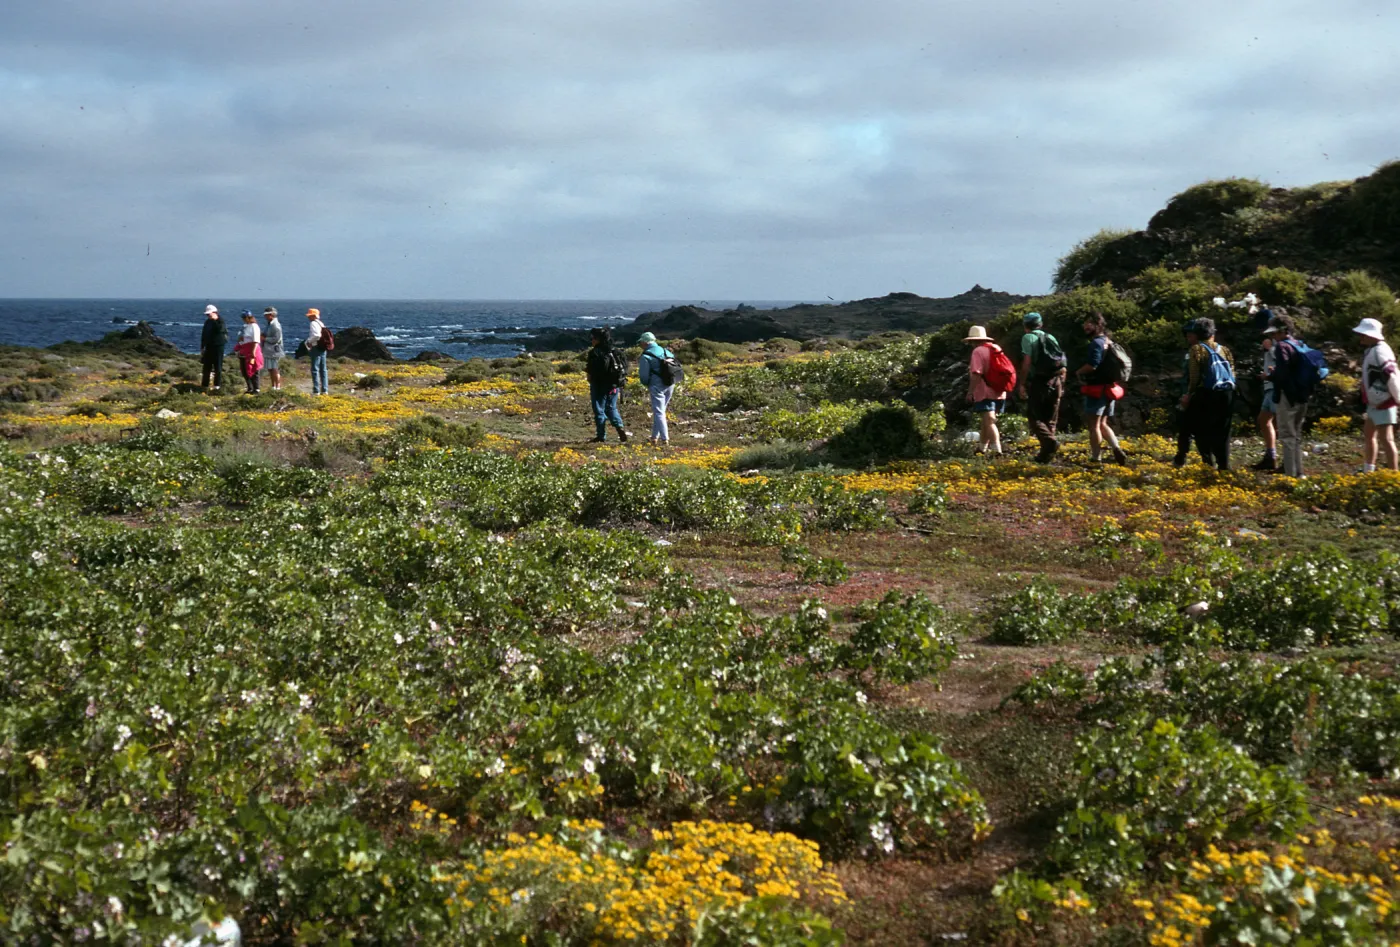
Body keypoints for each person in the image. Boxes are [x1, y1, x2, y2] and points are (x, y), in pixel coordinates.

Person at [1179, 317, 1235, 471]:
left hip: (1206, 394)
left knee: (1202, 430)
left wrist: (1189, 394)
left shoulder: (1197, 349)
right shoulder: (1224, 349)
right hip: (1227, 394)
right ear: (1212, 333)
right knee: (1223, 432)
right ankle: (1224, 467)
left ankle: (1208, 463)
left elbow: (1194, 376)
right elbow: (1233, 373)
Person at [1074, 312, 1128, 465]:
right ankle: (1116, 448)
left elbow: (1093, 365)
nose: (1085, 326)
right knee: (1103, 423)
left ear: (1098, 325)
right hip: (1110, 388)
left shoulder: (1096, 343)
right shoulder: (1108, 341)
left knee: (1094, 425)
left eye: (1088, 323)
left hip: (1096, 390)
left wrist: (1078, 372)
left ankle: (1096, 459)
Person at [1017, 311, 1066, 463]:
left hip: (1040, 381)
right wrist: (1062, 383)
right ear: (1041, 324)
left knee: (1034, 417)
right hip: (1056, 379)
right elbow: (1062, 360)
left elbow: (1027, 362)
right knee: (1050, 419)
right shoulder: (1050, 337)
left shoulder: (1028, 337)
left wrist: (1022, 383)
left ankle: (1050, 443)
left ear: (1026, 326)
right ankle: (1046, 455)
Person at [1264, 314, 1309, 477]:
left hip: (1288, 397)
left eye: (1274, 333)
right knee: (1296, 436)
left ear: (1283, 331)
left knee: (1287, 437)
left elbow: (1282, 375)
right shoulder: (1299, 344)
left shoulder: (1282, 346)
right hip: (1302, 396)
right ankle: (1300, 473)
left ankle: (1291, 476)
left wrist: (1269, 376)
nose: (1273, 337)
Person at [1356, 317, 1400, 473]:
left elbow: (1391, 375)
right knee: (1369, 435)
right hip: (1375, 402)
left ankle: (1394, 475)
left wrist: (1398, 397)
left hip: (1384, 402)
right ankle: (1369, 470)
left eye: (1363, 334)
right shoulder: (1373, 350)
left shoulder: (1380, 351)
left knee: (1387, 439)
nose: (1360, 337)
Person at [964, 325, 1007, 455]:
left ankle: (997, 450)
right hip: (1000, 390)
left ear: (972, 340)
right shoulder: (996, 348)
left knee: (989, 421)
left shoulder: (978, 351)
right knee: (986, 421)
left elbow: (977, 373)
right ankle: (982, 448)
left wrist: (970, 392)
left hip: (984, 392)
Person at [584, 327, 630, 443]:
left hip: (599, 385)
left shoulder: (595, 353)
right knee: (611, 407)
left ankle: (601, 436)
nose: (592, 340)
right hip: (614, 385)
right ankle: (619, 427)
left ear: (598, 339)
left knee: (599, 409)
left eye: (593, 338)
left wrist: (591, 381)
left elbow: (590, 373)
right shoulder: (617, 352)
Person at [636, 331, 676, 445]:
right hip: (670, 383)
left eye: (641, 343)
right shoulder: (666, 351)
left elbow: (644, 376)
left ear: (645, 343)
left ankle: (665, 439)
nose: (640, 345)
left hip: (656, 385)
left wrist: (647, 384)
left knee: (659, 412)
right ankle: (654, 437)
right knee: (661, 411)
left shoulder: (646, 356)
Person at [233, 310, 264, 394]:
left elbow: (255, 340)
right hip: (244, 350)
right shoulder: (246, 326)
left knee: (253, 369)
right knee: (244, 370)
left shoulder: (254, 326)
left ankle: (256, 389)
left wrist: (253, 352)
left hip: (252, 350)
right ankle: (250, 387)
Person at [199, 305, 227, 391]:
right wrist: (202, 346)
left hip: (218, 346)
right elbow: (204, 334)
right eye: (207, 315)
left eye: (209, 314)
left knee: (217, 366)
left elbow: (220, 330)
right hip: (209, 346)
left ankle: (217, 385)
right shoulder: (207, 322)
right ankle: (205, 385)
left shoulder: (220, 321)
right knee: (207, 366)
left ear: (214, 313)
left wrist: (215, 320)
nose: (208, 316)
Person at [304, 308, 329, 396]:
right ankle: (325, 390)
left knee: (315, 369)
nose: (308, 317)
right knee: (323, 369)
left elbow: (317, 335)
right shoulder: (321, 323)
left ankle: (316, 390)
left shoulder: (313, 323)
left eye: (310, 316)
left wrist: (309, 341)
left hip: (316, 347)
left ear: (313, 316)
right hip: (323, 347)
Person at [262, 307, 285, 391]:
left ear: (271, 315)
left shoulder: (275, 325)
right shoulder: (270, 324)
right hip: (269, 350)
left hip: (274, 350)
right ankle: (273, 386)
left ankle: (277, 386)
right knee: (270, 368)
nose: (265, 317)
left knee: (274, 368)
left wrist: (265, 339)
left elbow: (276, 338)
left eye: (267, 315)